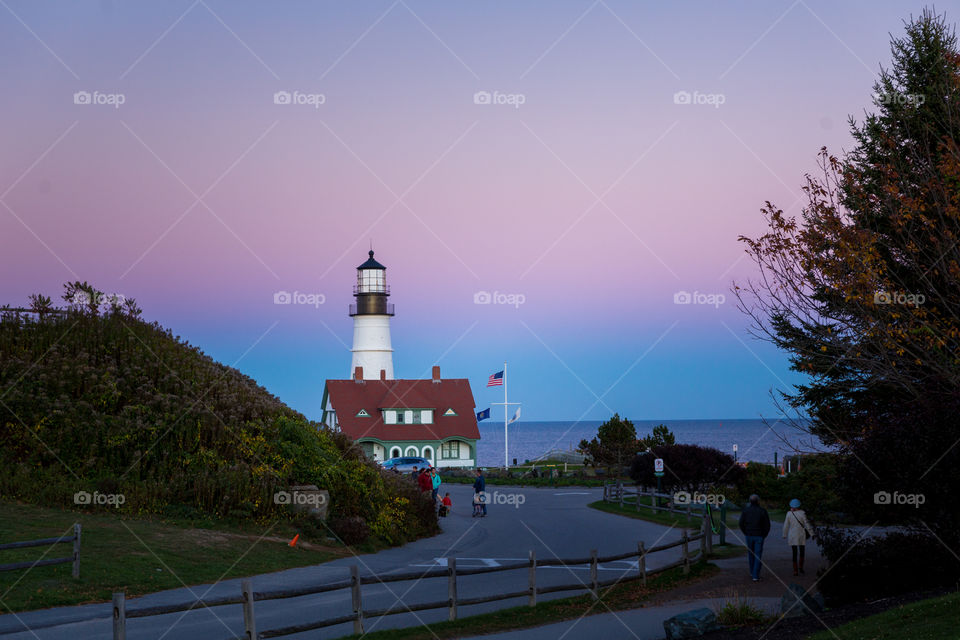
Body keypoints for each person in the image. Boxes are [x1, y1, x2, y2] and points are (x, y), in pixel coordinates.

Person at [739, 494, 771, 582]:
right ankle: (755, 575)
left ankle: (752, 572)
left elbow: (741, 523)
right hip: (759, 536)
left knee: (751, 554)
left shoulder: (746, 511)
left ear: (750, 501)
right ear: (758, 501)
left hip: (749, 535)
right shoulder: (762, 511)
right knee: (758, 555)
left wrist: (745, 532)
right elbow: (767, 525)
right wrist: (764, 534)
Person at [783, 498, 813, 576]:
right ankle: (801, 567)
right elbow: (807, 524)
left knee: (794, 553)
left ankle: (795, 570)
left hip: (793, 536)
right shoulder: (802, 513)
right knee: (802, 552)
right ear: (799, 505)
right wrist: (812, 533)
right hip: (801, 535)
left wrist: (784, 534)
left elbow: (786, 525)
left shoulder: (789, 513)